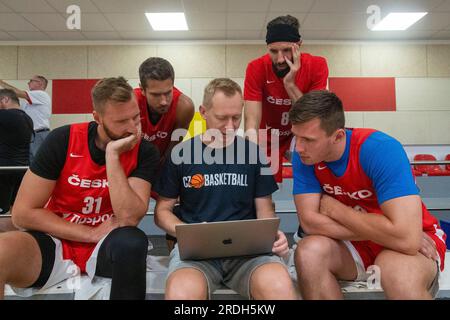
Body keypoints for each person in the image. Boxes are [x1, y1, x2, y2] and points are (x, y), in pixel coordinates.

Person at [0, 77, 160, 300]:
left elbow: (129, 217)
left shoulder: (144, 151)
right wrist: (89, 233)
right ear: (97, 118)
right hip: (56, 240)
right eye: (121, 121)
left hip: (108, 244)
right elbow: (21, 214)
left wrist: (112, 156)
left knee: (132, 242)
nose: (133, 128)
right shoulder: (62, 140)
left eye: (136, 117)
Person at [290, 90, 447, 299]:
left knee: (397, 273)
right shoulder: (305, 156)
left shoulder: (380, 149)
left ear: (337, 136)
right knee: (309, 253)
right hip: (356, 243)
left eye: (308, 139)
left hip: (416, 242)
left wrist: (338, 210)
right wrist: (390, 233)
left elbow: (408, 240)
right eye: (296, 136)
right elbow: (311, 223)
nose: (298, 147)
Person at [154, 78, 296, 300]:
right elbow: (162, 212)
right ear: (203, 112)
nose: (230, 127)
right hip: (196, 255)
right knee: (181, 294)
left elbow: (265, 210)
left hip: (249, 254)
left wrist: (272, 235)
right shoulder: (180, 154)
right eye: (221, 118)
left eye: (236, 118)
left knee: (280, 289)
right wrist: (186, 232)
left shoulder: (254, 154)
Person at [244, 15, 329, 182]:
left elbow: (312, 118)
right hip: (268, 137)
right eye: (273, 51)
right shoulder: (256, 68)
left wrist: (289, 84)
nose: (280, 59)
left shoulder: (317, 66)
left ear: (298, 46)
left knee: (311, 183)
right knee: (261, 188)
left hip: (301, 134)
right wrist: (250, 152)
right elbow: (251, 120)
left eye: (286, 50)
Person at [135, 57, 195, 167]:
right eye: (155, 95)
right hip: (135, 161)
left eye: (168, 93)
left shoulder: (184, 107)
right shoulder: (131, 104)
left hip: (163, 160)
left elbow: (171, 152)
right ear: (142, 89)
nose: (163, 101)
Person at [0, 89, 34, 231]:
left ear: (6, 100)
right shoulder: (28, 118)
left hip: (4, 169)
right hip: (21, 169)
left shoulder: (5, 116)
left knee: (2, 212)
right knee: (13, 211)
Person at [0, 76, 51, 162]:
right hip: (31, 134)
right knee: (30, 161)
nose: (28, 83)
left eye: (31, 81)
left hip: (39, 133)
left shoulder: (41, 94)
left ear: (40, 83)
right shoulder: (28, 101)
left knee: (38, 162)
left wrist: (1, 83)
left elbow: (15, 92)